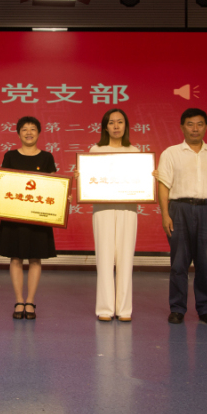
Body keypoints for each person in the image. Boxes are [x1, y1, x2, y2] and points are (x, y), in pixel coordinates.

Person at [156, 108, 207, 326]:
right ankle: (177, 308)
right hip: (179, 210)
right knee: (179, 263)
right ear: (182, 127)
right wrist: (165, 214)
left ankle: (206, 309)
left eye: (199, 124)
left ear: (206, 126)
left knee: (205, 263)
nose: (195, 129)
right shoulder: (171, 153)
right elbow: (163, 185)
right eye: (190, 124)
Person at [0, 117, 58, 320]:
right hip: (14, 214)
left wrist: (62, 198)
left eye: (32, 129)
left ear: (39, 132)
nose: (28, 133)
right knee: (15, 257)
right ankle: (19, 300)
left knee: (35, 258)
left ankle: (30, 300)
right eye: (24, 129)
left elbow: (55, 186)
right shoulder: (10, 155)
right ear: (18, 133)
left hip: (38, 216)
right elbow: (3, 182)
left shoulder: (47, 157)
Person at [88, 109, 140, 322]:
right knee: (105, 257)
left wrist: (150, 177)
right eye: (111, 122)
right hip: (103, 208)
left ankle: (124, 309)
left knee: (126, 258)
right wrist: (82, 177)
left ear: (126, 125)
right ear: (105, 127)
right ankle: (105, 308)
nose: (116, 126)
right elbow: (90, 179)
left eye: (120, 122)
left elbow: (140, 182)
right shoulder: (96, 151)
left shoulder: (135, 152)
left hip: (128, 208)